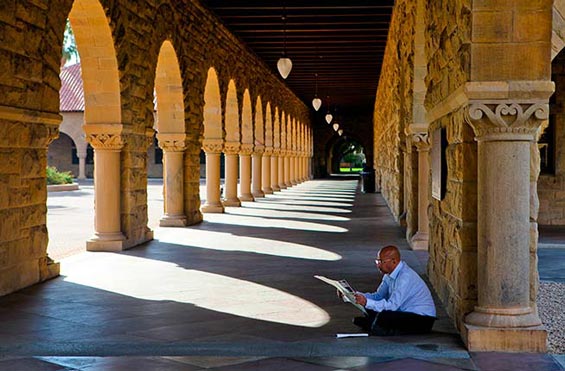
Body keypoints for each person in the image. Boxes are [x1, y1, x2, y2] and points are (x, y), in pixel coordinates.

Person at [348, 245, 436, 336]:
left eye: (381, 261)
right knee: (371, 307)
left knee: (383, 314)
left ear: (394, 261)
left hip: (422, 319)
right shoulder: (388, 274)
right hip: (403, 312)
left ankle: (375, 324)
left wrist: (366, 302)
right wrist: (353, 295)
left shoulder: (405, 277)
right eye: (377, 261)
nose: (378, 265)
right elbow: (378, 296)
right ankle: (374, 323)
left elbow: (392, 306)